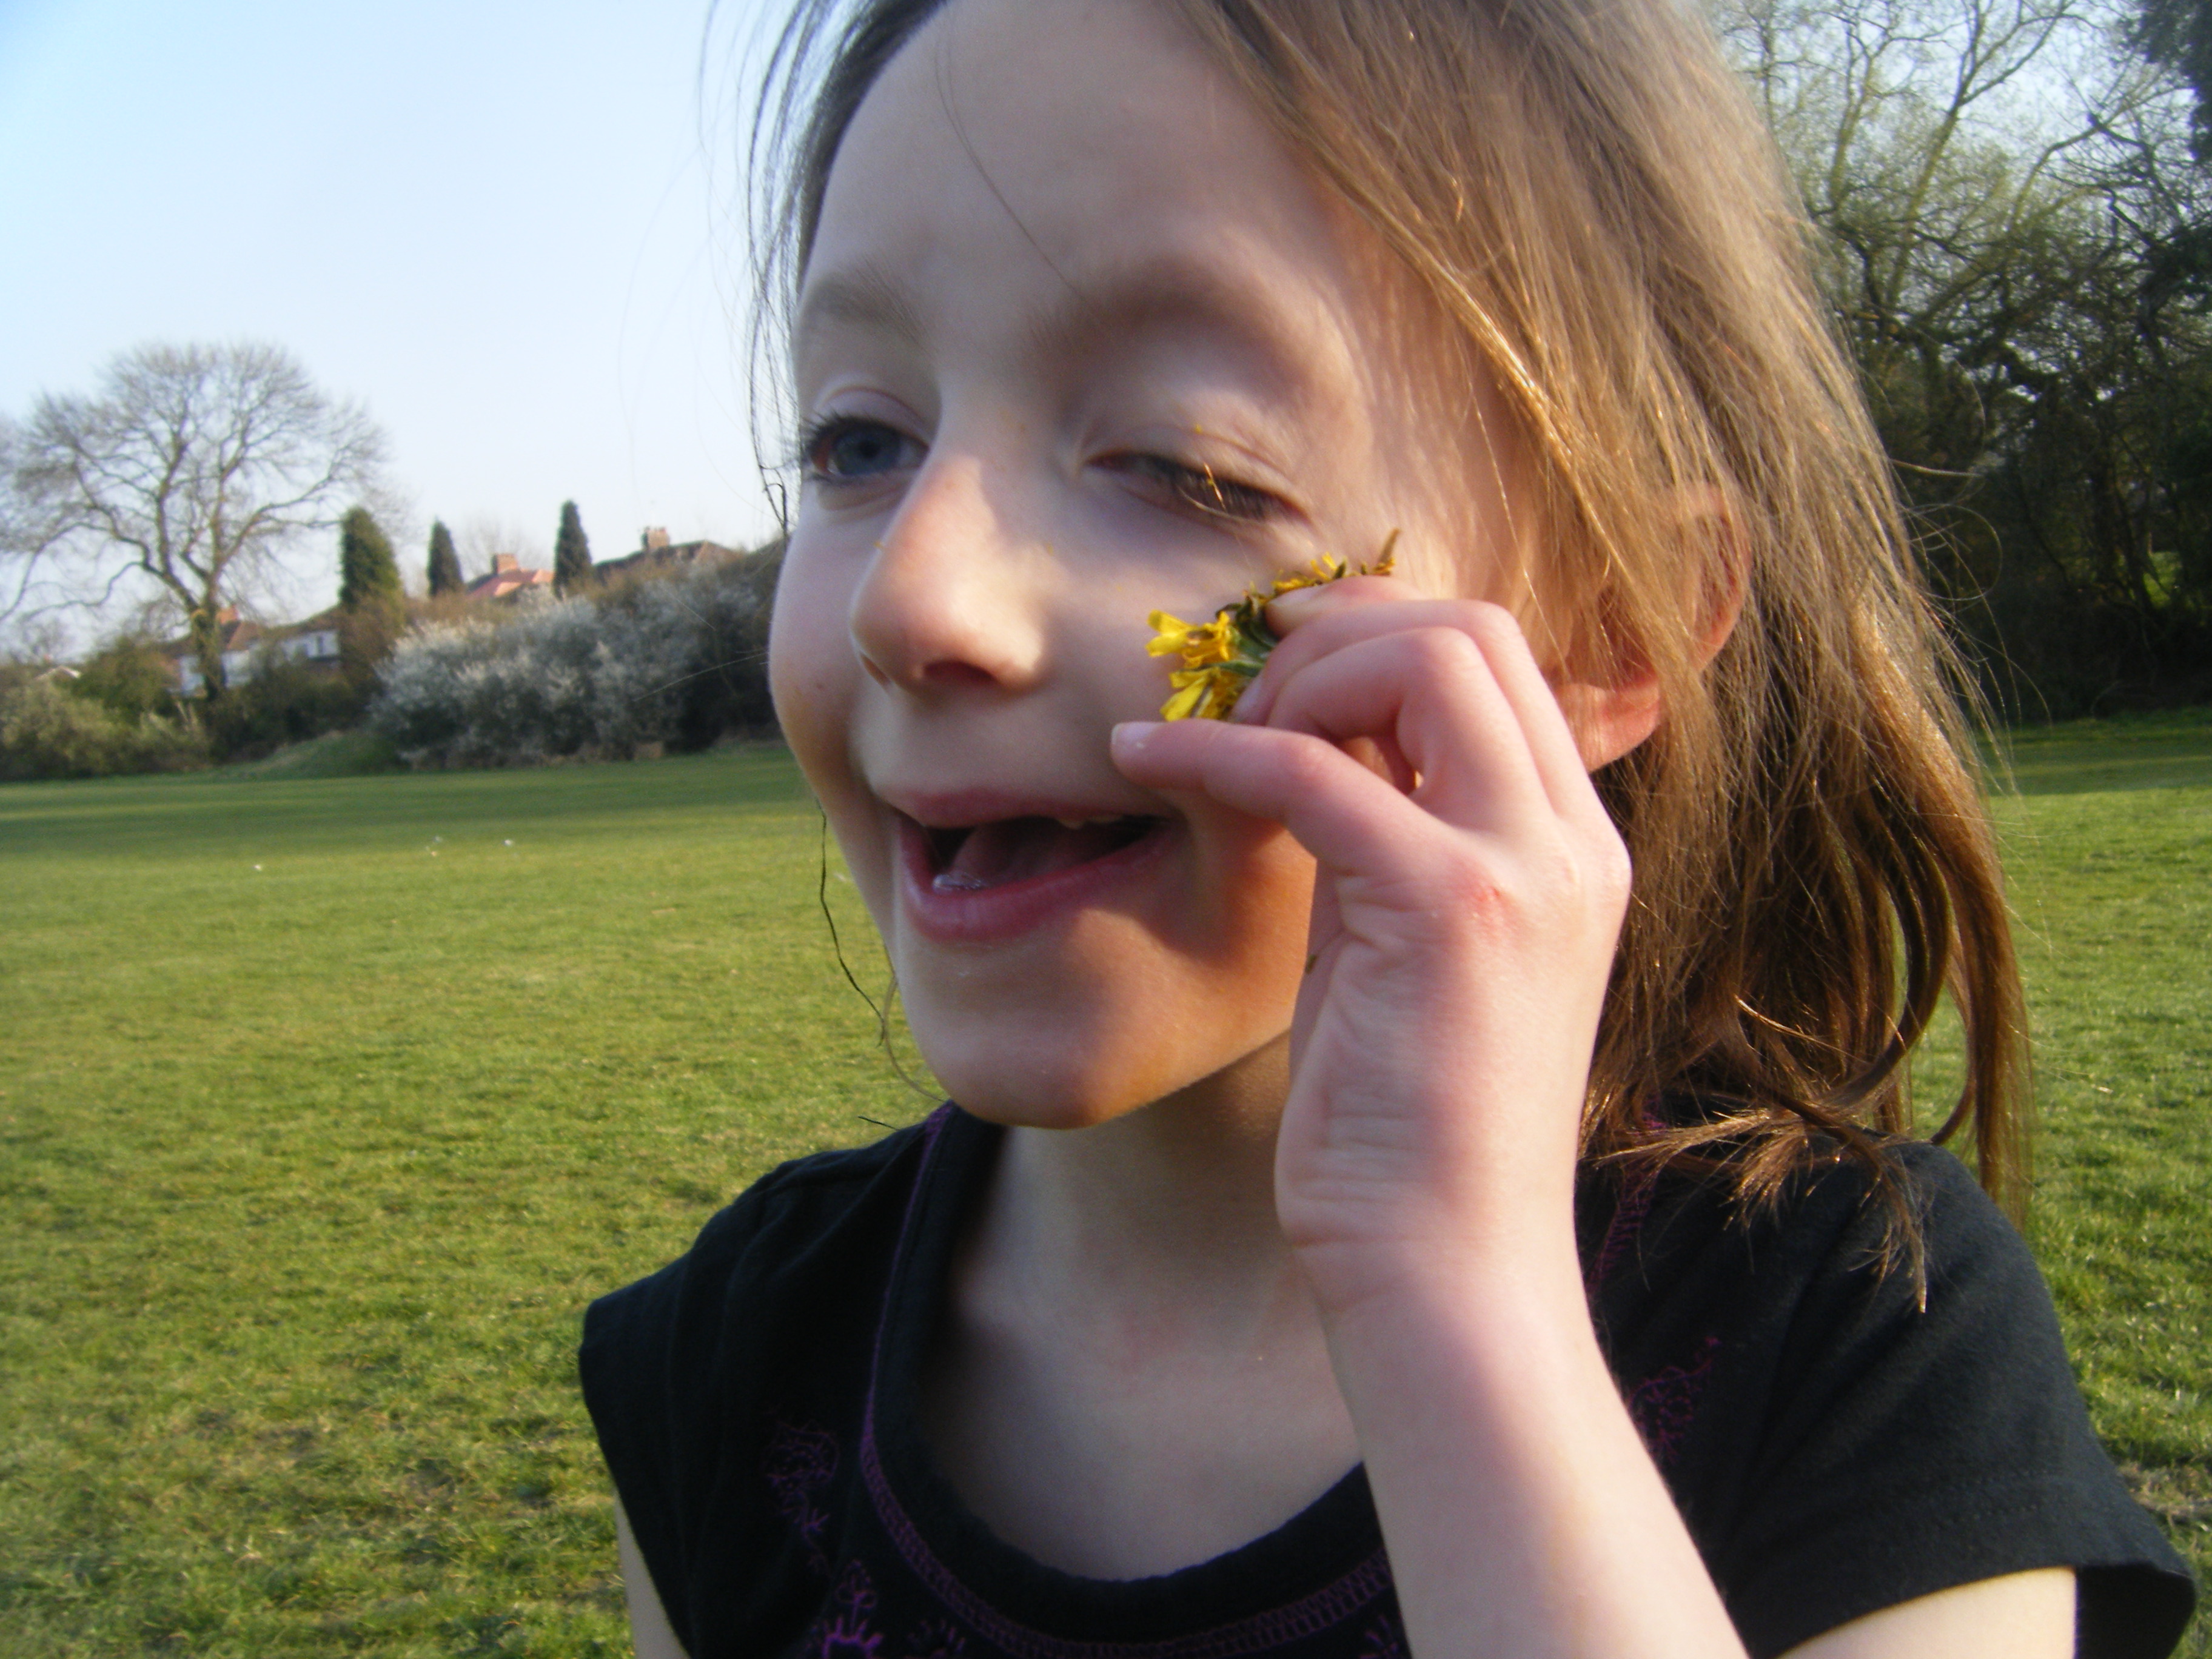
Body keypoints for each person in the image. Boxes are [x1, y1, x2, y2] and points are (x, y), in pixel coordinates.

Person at [580, 1, 2199, 1654]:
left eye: (1185, 463)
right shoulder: (720, 1369)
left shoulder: (1860, 1336)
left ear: (1608, 630)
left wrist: (1454, 1295)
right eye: (861, 442)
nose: (913, 599)